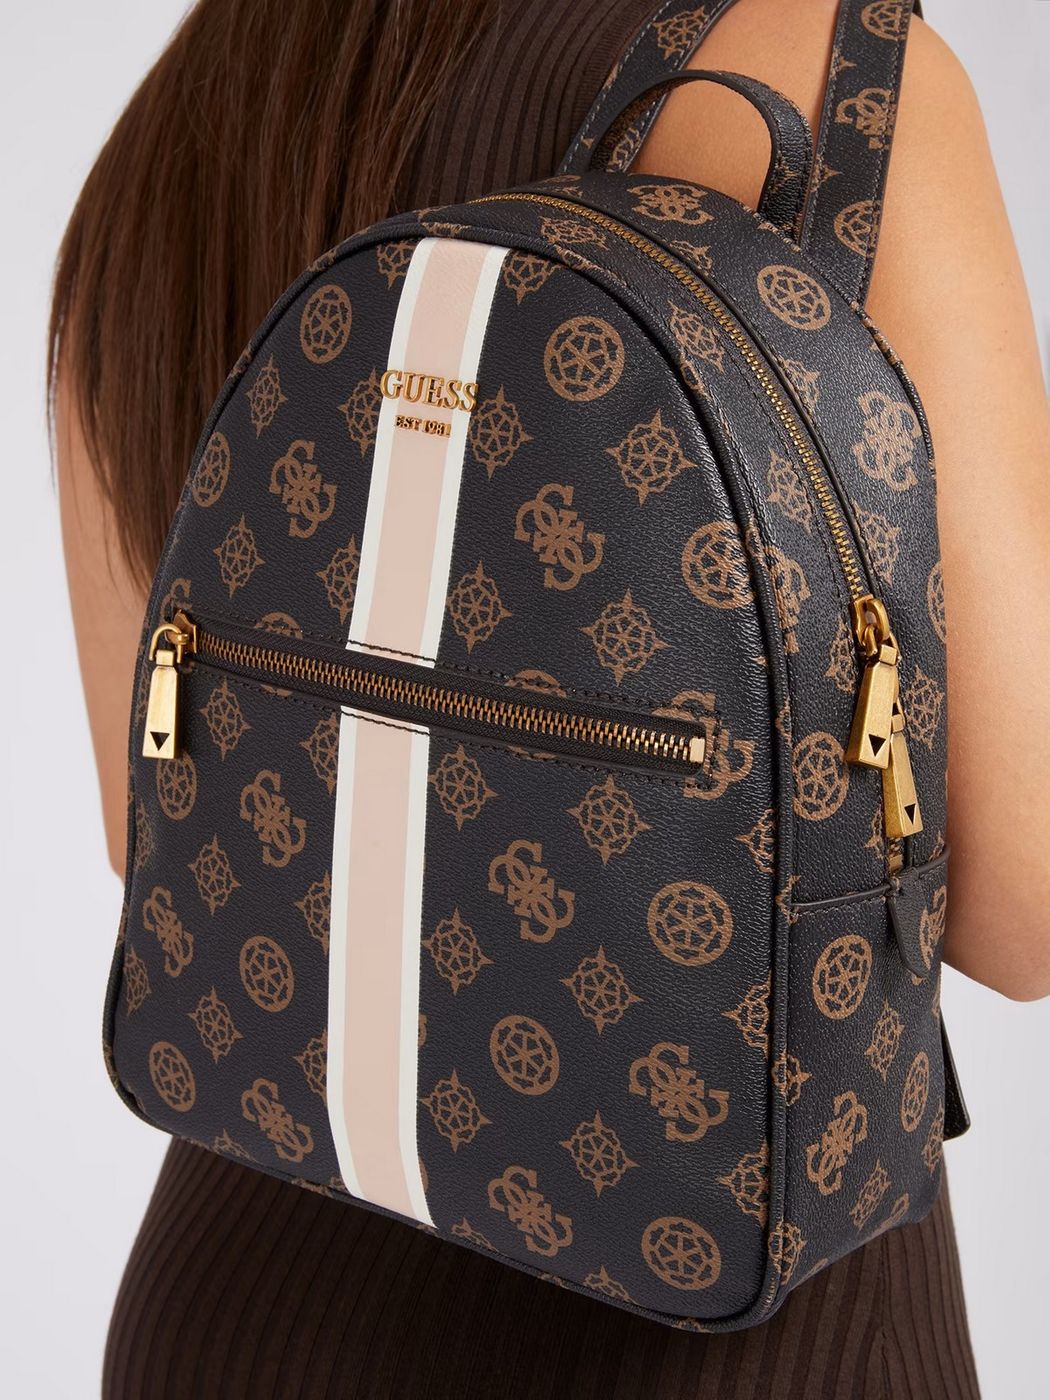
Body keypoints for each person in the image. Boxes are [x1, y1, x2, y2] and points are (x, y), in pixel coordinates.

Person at [51, 1, 1048, 1395]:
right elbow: (1021, 908)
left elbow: (153, 816)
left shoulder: (186, 112)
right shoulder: (835, 76)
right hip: (720, 1313)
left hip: (234, 1295)